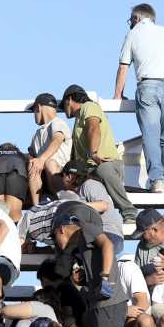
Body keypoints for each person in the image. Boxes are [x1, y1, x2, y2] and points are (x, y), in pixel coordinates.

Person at [113, 3, 164, 192]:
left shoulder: (133, 33)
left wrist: (118, 94)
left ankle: (157, 180)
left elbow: (123, 66)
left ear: (137, 18)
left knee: (151, 136)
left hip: (148, 85)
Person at [61, 84, 136, 223]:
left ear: (69, 100)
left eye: (63, 105)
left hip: (104, 163)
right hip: (90, 170)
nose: (63, 110)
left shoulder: (89, 107)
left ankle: (129, 212)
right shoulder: (78, 120)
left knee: (103, 169)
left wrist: (93, 153)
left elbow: (93, 127)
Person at [26, 93, 71, 204]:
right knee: (33, 164)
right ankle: (36, 208)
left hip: (61, 174)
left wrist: (41, 159)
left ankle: (65, 202)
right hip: (43, 179)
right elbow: (31, 154)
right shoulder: (37, 134)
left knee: (49, 162)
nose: (34, 115)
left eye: (34, 111)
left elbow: (57, 139)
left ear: (38, 108)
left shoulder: (57, 123)